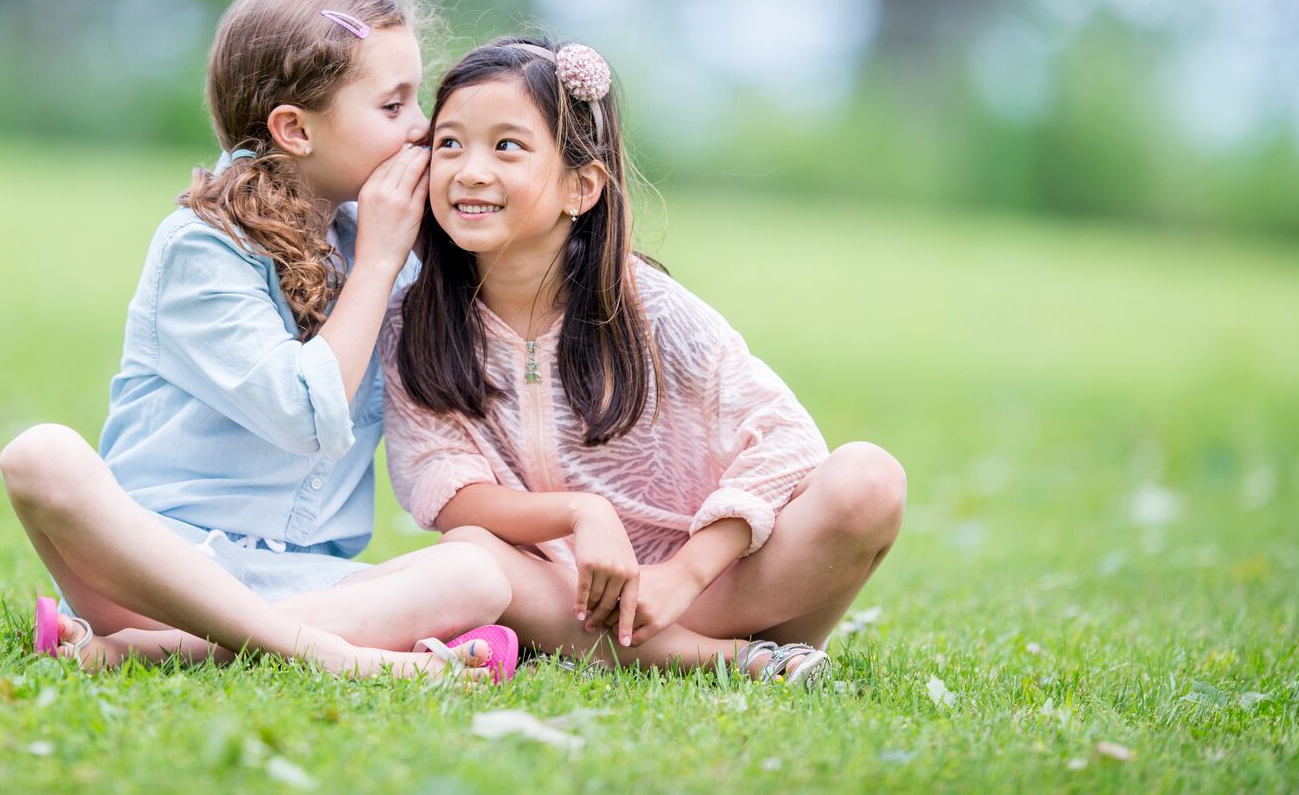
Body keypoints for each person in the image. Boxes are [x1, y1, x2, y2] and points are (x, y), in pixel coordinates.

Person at [0, 0, 514, 681]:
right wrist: (376, 263)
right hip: (154, 573)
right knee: (40, 455)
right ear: (295, 130)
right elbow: (303, 414)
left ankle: (159, 650)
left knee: (480, 573)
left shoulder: (377, 241)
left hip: (302, 582)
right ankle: (335, 655)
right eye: (393, 107)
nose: (422, 130)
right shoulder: (202, 246)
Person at [381, 36, 907, 686]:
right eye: (450, 144)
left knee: (868, 480)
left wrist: (684, 574)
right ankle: (735, 659)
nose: (469, 170)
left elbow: (786, 441)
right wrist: (581, 512)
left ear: (581, 186)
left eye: (507, 145)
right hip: (559, 594)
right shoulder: (414, 322)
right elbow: (448, 492)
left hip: (703, 588)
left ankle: (661, 645)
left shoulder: (648, 309)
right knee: (469, 550)